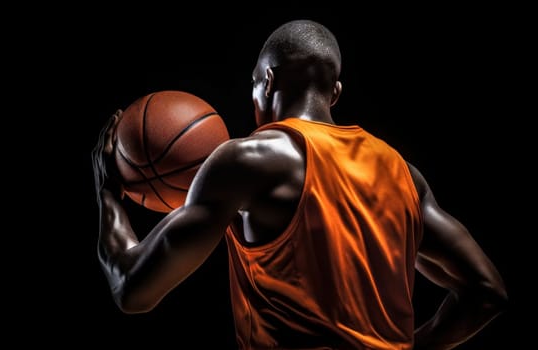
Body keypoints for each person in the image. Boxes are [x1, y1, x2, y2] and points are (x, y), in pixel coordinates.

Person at [93, 20, 507, 349]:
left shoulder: (248, 160)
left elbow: (133, 290)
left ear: (267, 81)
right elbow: (486, 291)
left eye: (254, 84)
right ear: (335, 92)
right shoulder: (403, 174)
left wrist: (108, 193)